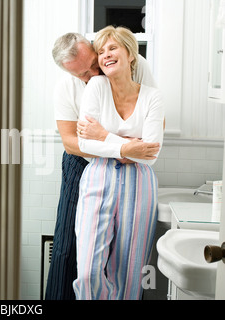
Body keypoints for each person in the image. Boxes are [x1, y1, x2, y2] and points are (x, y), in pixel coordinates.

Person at [45, 32, 156, 300]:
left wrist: (114, 145)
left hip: (128, 165)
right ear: (71, 73)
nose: (94, 74)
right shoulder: (66, 87)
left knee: (125, 254)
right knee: (68, 247)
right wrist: (121, 146)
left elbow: (153, 129)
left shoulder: (136, 65)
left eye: (94, 64)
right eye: (83, 73)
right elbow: (71, 142)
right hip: (81, 162)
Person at [73, 26, 164, 300]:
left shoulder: (152, 96)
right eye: (100, 51)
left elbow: (151, 152)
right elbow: (85, 144)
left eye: (112, 48)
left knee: (130, 271)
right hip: (98, 178)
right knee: (88, 270)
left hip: (140, 182)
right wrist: (126, 146)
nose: (105, 55)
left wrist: (105, 137)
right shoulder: (96, 87)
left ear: (130, 53)